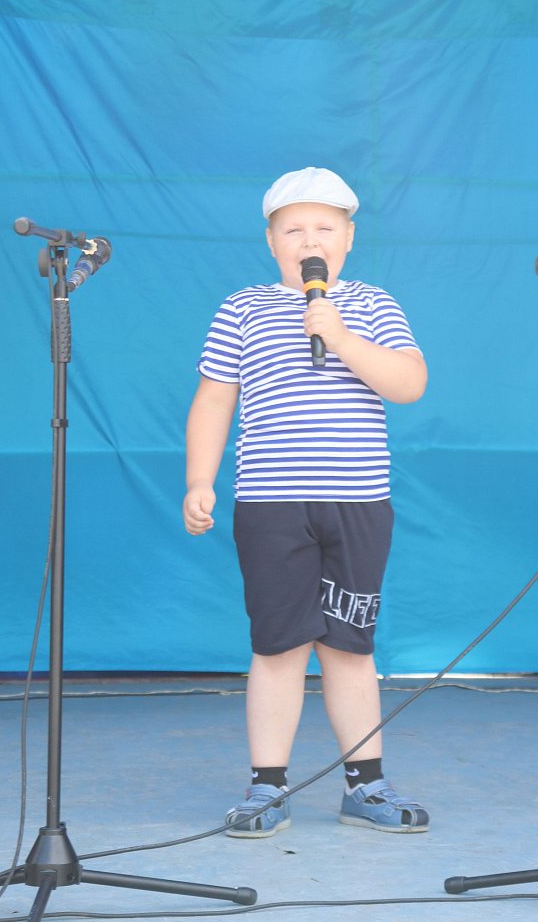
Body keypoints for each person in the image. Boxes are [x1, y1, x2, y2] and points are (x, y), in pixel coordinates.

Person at [182, 166, 428, 837]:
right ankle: (267, 786)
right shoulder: (243, 308)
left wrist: (340, 336)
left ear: (348, 239)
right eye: (293, 230)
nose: (309, 240)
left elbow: (409, 383)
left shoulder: (372, 305)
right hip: (271, 503)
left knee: (349, 645)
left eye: (324, 228)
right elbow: (215, 399)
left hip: (357, 503)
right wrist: (200, 479)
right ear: (271, 242)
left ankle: (366, 783)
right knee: (278, 645)